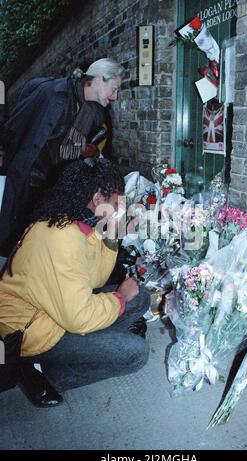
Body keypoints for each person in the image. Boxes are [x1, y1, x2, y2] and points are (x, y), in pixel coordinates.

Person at [0, 159, 150, 407]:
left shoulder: (76, 221)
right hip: (34, 330)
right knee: (135, 353)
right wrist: (120, 298)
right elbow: (79, 317)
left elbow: (95, 279)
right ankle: (41, 372)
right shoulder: (62, 237)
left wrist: (112, 237)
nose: (120, 211)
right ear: (97, 198)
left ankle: (91, 344)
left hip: (58, 310)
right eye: (116, 205)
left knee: (141, 298)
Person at [0, 58, 125, 256]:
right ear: (99, 79)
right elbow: (14, 127)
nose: (115, 96)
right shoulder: (51, 94)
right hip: (29, 179)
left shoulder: (95, 112)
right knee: (16, 239)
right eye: (115, 88)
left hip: (56, 184)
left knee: (41, 243)